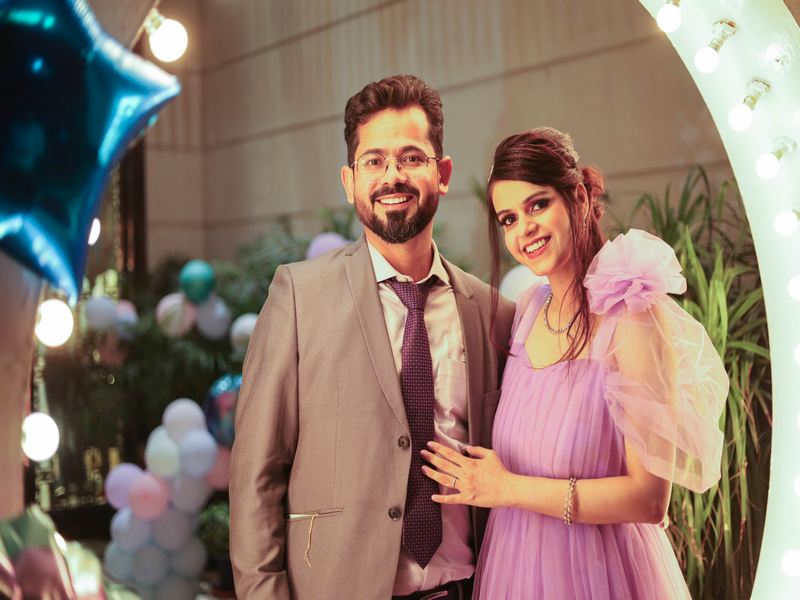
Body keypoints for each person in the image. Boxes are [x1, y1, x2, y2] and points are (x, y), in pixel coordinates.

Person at [229, 74, 515, 599]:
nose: (392, 176)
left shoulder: (491, 312)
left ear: (443, 174)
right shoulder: (299, 297)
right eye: (374, 161)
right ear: (350, 181)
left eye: (411, 157)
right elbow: (256, 476)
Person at [421, 127, 729, 599]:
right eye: (508, 219)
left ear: (579, 197)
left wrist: (505, 488)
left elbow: (649, 499)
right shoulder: (527, 310)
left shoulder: (631, 317)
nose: (523, 230)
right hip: (514, 567)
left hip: (599, 573)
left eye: (538, 205)